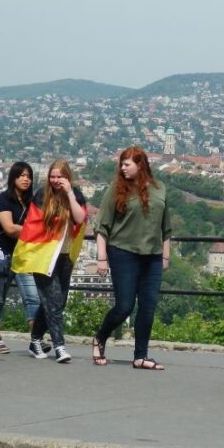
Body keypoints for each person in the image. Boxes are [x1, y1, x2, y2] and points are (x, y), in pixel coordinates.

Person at [93, 147, 172, 370]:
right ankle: (100, 337)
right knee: (124, 306)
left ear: (141, 164)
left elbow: (165, 227)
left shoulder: (159, 188)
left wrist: (165, 256)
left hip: (153, 256)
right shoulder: (116, 189)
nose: (122, 168)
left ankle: (141, 355)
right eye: (122, 164)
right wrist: (101, 258)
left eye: (127, 164)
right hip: (123, 252)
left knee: (148, 306)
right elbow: (102, 226)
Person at [12, 160, 86, 363]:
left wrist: (69, 193)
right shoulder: (41, 196)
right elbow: (34, 226)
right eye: (52, 177)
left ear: (68, 177)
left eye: (59, 177)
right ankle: (59, 346)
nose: (55, 180)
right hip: (44, 256)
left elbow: (80, 219)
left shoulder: (76, 195)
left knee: (56, 302)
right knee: (52, 303)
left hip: (65, 256)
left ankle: (35, 339)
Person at [0, 161, 43, 354]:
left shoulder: (31, 202)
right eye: (21, 175)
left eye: (28, 176)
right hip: (2, 254)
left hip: (24, 255)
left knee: (33, 298)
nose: (25, 179)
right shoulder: (3, 199)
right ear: (13, 178)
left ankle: (35, 340)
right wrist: (34, 231)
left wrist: (30, 231)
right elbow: (9, 228)